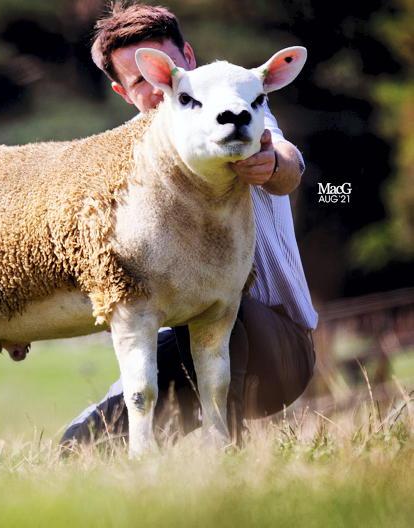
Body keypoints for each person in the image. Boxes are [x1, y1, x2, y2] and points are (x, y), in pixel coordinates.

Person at [60, 2, 318, 448]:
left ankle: (228, 460)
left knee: (206, 301)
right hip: (176, 340)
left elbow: (288, 163)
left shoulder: (233, 114)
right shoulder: (130, 159)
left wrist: (270, 162)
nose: (166, 87)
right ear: (124, 93)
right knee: (83, 441)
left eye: (173, 67)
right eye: (146, 79)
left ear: (190, 58)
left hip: (273, 342)